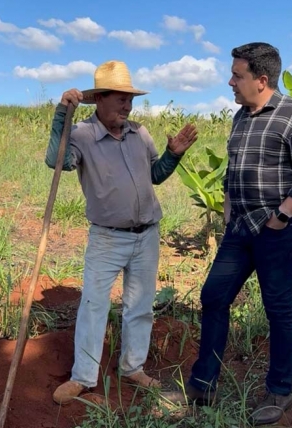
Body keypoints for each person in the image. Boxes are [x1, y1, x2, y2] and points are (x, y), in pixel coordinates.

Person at [161, 42, 292, 425]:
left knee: (278, 308)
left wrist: (282, 216)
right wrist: (229, 216)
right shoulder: (241, 118)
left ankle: (279, 390)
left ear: (262, 79)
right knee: (214, 296)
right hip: (240, 230)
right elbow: (235, 174)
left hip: (277, 231)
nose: (230, 81)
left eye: (238, 75)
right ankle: (204, 382)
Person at [46, 60, 198, 405]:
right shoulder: (83, 135)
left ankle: (133, 367)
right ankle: (83, 377)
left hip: (147, 235)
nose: (127, 107)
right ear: (98, 99)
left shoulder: (139, 133)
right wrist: (61, 117)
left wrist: (174, 155)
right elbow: (57, 162)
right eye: (119, 99)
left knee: (140, 306)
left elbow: (155, 176)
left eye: (129, 100)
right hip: (107, 238)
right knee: (94, 306)